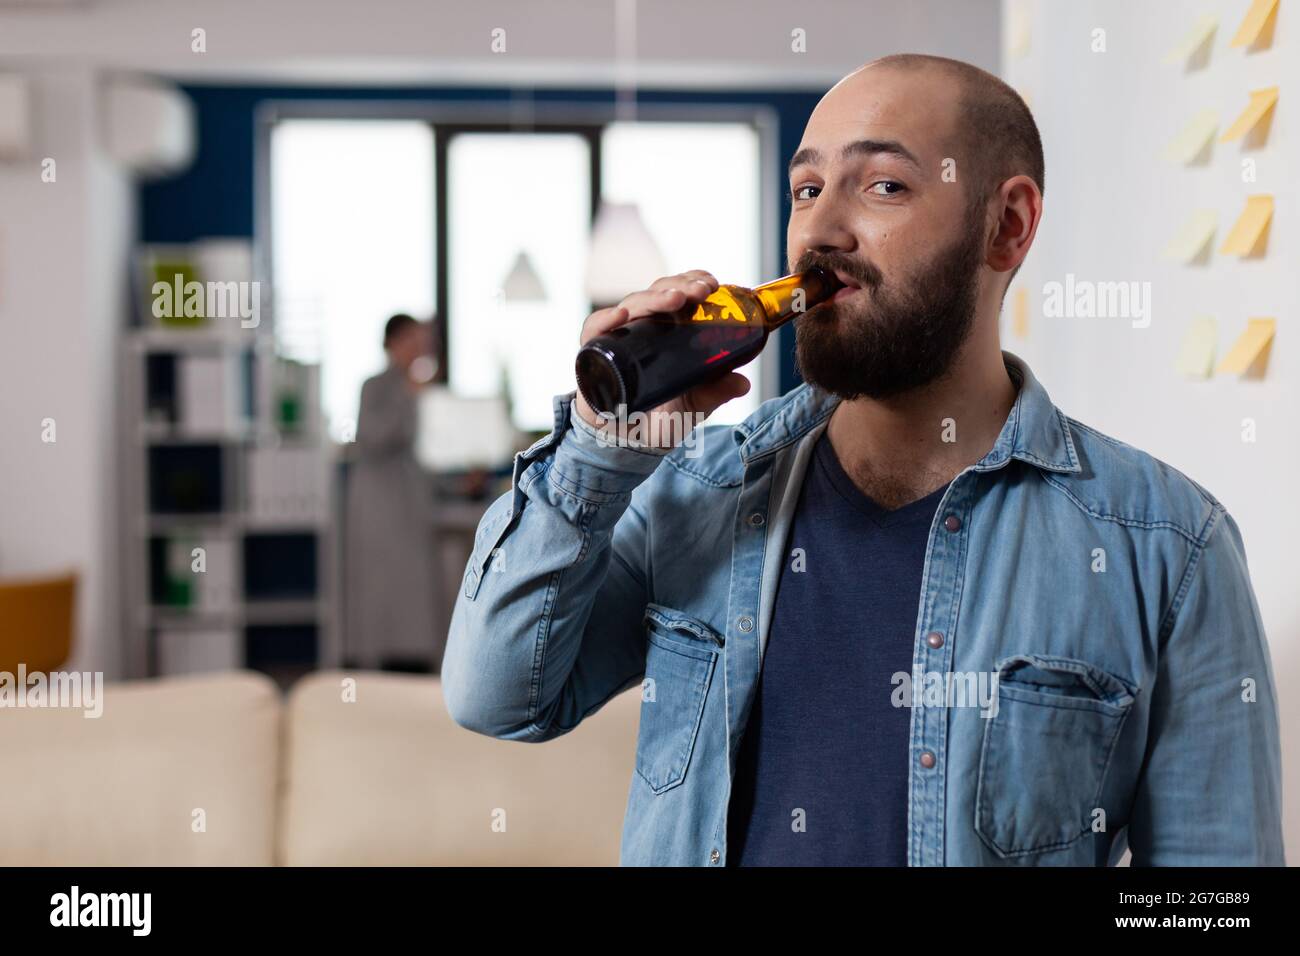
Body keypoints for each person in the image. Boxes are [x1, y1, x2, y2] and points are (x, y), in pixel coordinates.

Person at [441, 55, 1284, 866]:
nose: (820, 230)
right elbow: (498, 697)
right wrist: (600, 444)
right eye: (806, 189)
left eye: (883, 185)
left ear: (1008, 226)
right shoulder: (696, 493)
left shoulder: (1168, 548)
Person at [344, 313, 439, 671]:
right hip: (379, 504)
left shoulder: (419, 387)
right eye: (411, 340)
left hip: (411, 497)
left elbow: (426, 447)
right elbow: (373, 437)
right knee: (380, 590)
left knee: (412, 593)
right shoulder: (377, 386)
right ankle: (376, 668)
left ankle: (413, 664)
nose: (418, 348)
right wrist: (408, 397)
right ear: (393, 344)